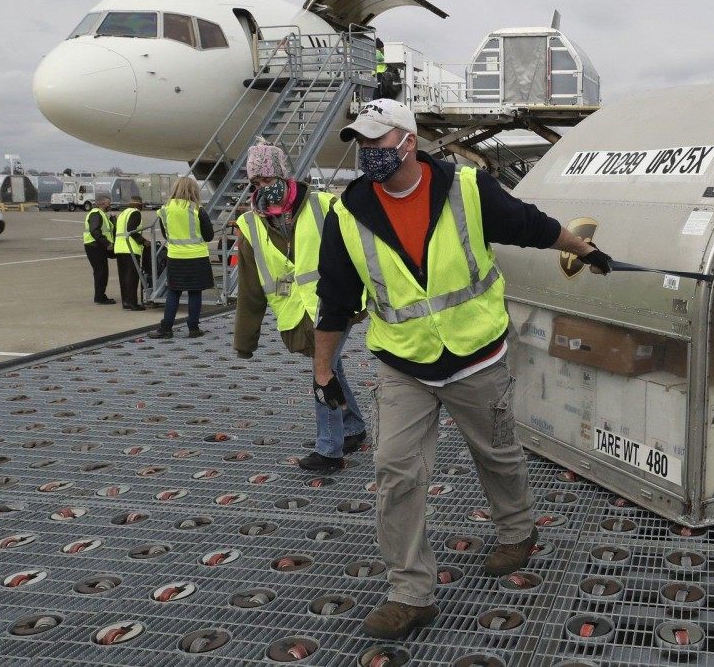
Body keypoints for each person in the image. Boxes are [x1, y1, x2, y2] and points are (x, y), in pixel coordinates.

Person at [312, 99, 613, 639]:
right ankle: (410, 592)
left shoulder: (466, 189)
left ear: (407, 140)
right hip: (403, 364)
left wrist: (583, 249)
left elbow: (531, 227)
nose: (368, 153)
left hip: (477, 357)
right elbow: (334, 299)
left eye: (377, 142)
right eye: (361, 142)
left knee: (496, 452)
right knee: (395, 470)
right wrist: (323, 372)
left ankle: (517, 533)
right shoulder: (347, 213)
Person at [233, 141, 367, 473]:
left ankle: (329, 450)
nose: (264, 189)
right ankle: (353, 426)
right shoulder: (250, 225)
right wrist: (244, 341)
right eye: (257, 183)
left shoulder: (325, 206)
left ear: (283, 175)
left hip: (335, 306)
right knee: (333, 368)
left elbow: (360, 252)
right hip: (298, 314)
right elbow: (250, 287)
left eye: (268, 180)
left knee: (323, 372)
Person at [149, 177, 214, 339]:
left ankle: (166, 328)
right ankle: (193, 328)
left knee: (173, 293)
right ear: (194, 191)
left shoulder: (165, 209)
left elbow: (166, 234)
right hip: (197, 257)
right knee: (194, 293)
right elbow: (208, 236)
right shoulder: (197, 209)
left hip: (175, 257)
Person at [114, 196, 150, 311]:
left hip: (119, 248)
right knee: (132, 277)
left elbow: (116, 231)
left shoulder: (122, 214)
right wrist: (143, 241)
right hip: (130, 248)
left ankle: (126, 301)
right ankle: (132, 303)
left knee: (123, 276)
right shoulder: (135, 213)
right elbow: (131, 229)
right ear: (139, 204)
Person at [83, 196, 116, 305]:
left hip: (98, 245)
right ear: (101, 204)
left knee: (102, 271)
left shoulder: (102, 215)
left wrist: (113, 221)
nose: (109, 206)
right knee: (100, 272)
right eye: (108, 203)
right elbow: (94, 231)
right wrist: (106, 243)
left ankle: (100, 295)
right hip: (95, 246)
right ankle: (99, 297)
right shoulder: (95, 214)